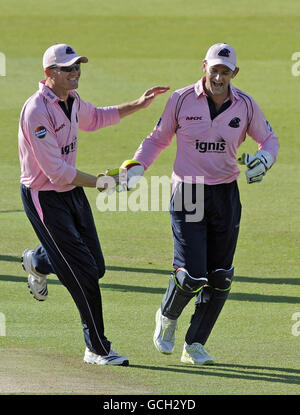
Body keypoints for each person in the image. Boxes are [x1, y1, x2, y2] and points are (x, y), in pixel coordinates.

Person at [18, 43, 169, 366]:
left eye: (78, 67)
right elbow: (56, 172)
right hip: (44, 197)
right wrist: (104, 182)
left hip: (70, 190)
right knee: (84, 273)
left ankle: (39, 261)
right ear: (50, 74)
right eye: (68, 69)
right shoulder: (37, 111)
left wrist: (139, 105)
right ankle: (97, 348)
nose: (76, 73)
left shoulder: (71, 101)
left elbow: (97, 118)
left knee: (96, 266)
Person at [130, 43, 279, 365]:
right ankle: (167, 318)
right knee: (192, 276)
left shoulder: (246, 105)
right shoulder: (181, 100)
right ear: (204, 68)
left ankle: (195, 344)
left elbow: (269, 139)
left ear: (234, 73)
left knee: (221, 275)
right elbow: (157, 138)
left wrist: (264, 160)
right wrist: (138, 166)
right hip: (188, 192)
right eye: (215, 70)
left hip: (226, 194)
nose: (219, 76)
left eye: (226, 71)